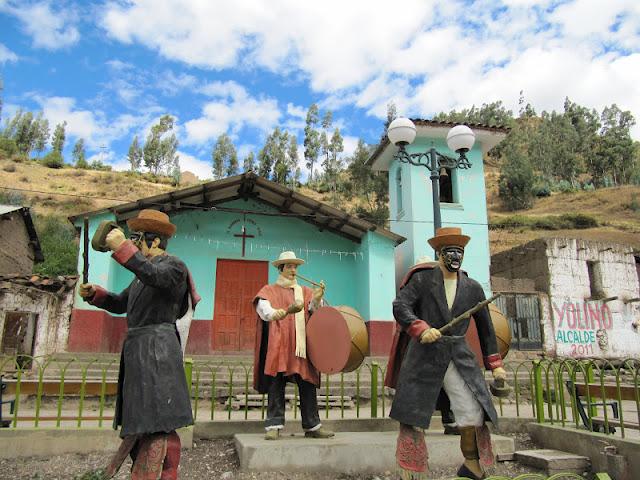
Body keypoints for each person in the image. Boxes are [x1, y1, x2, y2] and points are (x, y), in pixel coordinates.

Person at [79, 209, 199, 479]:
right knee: (141, 422)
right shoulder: (140, 275)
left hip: (158, 350)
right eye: (130, 240)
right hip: (138, 350)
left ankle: (166, 473)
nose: (133, 244)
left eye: (136, 239)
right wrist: (96, 294)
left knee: (161, 422)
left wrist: (122, 247)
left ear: (155, 241)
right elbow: (121, 303)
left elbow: (154, 276)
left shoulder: (174, 267)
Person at [386, 227, 506, 480]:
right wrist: (420, 328)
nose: (455, 257)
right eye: (450, 252)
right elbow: (401, 305)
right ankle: (411, 470)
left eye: (459, 252)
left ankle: (472, 465)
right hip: (423, 355)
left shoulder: (473, 287)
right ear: (439, 254)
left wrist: (494, 363)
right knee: (414, 412)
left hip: (459, 354)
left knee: (472, 410)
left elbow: (486, 328)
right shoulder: (421, 280)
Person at [253, 251, 334, 440]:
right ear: (280, 268)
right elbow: (264, 310)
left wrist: (316, 298)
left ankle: (313, 426)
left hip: (301, 345)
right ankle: (274, 425)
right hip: (279, 344)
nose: (293, 270)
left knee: (307, 383)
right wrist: (275, 313)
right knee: (276, 384)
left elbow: (315, 311)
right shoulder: (269, 291)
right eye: (289, 266)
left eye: (295, 266)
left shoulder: (305, 291)